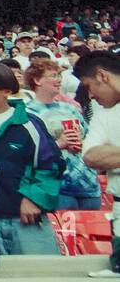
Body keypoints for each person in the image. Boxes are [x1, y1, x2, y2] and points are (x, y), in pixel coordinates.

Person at [0, 64, 64, 256]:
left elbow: (52, 165)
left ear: (6, 91)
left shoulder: (30, 124)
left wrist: (34, 198)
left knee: (40, 279)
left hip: (26, 221)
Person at [24, 58, 99, 210]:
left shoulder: (70, 109)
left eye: (59, 75)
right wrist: (59, 144)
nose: (58, 80)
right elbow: (28, 153)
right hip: (57, 187)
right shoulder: (27, 112)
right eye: (53, 76)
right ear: (37, 80)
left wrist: (82, 143)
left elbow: (90, 137)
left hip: (88, 185)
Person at [75, 52, 120, 278]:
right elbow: (92, 156)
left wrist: (113, 154)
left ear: (102, 76)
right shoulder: (104, 116)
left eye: (90, 86)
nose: (90, 96)